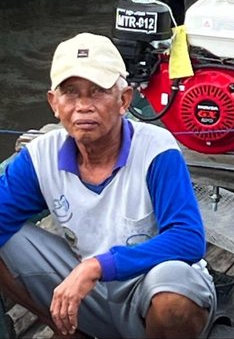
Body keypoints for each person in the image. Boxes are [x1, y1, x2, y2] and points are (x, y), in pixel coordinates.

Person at [0, 33, 216, 338]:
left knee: (173, 300)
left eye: (98, 91)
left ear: (124, 100)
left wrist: (96, 267)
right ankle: (65, 329)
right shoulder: (40, 156)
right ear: (54, 103)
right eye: (70, 93)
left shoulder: (156, 150)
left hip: (148, 286)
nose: (83, 106)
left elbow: (188, 238)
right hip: (91, 293)